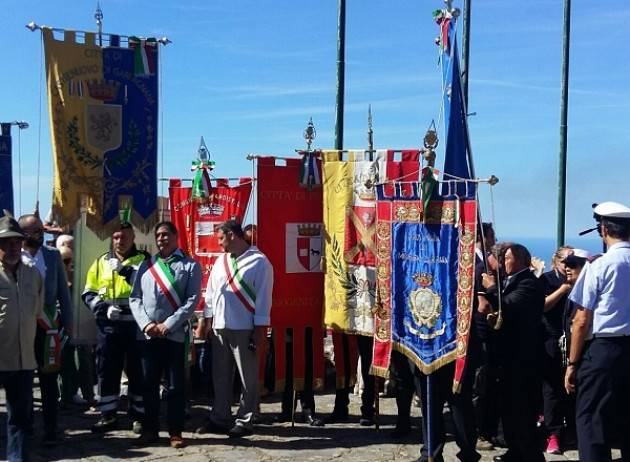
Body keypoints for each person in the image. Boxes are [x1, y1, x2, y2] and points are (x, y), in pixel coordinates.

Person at [565, 202, 630, 462]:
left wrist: (572, 363)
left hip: (604, 349)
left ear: (603, 229)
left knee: (592, 420)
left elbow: (581, 319)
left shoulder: (599, 266)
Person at [197, 220, 273, 438]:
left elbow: (264, 299)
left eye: (220, 238)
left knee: (247, 377)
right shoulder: (221, 261)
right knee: (220, 376)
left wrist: (259, 329)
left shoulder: (260, 262)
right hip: (221, 326)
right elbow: (210, 293)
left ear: (232, 235)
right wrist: (206, 320)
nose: (219, 243)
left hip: (245, 327)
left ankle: (245, 419)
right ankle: (219, 416)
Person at [130, 221, 201, 448]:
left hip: (174, 336)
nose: (161, 239)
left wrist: (168, 324)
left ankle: (175, 431)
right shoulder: (146, 265)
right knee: (148, 384)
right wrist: (146, 324)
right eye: (158, 235)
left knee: (175, 387)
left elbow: (192, 301)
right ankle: (151, 430)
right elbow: (135, 298)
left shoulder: (191, 266)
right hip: (149, 335)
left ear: (176, 236)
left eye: (166, 234)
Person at [480, 243, 545, 462]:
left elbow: (509, 304)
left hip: (523, 359)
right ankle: (515, 450)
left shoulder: (528, 283)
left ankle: (529, 455)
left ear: (518, 259)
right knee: (507, 409)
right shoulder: (510, 281)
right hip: (505, 358)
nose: (503, 262)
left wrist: (490, 288)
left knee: (522, 411)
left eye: (506, 258)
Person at [82, 222, 149, 433]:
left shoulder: (145, 260)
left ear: (133, 238)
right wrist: (102, 309)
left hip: (136, 327)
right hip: (108, 327)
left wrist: (124, 271)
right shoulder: (102, 261)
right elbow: (88, 293)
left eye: (125, 237)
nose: (120, 241)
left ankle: (139, 416)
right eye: (116, 237)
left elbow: (150, 289)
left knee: (138, 372)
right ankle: (108, 415)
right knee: (106, 370)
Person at [18, 213, 73, 445]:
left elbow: (63, 291)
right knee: (23, 380)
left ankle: (51, 428)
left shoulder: (52, 255)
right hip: (21, 327)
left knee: (49, 380)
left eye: (41, 230)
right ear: (23, 234)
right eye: (34, 231)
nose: (40, 235)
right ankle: (26, 426)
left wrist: (69, 323)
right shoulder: (11, 256)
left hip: (48, 326)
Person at [0, 215, 44, 462]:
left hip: (23, 361)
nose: (12, 247)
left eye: (16, 242)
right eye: (5, 243)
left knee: (20, 419)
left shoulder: (33, 275)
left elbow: (36, 313)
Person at [540, 245, 574, 454]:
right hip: (551, 338)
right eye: (565, 262)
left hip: (572, 339)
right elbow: (543, 305)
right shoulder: (547, 280)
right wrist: (563, 290)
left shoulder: (580, 280)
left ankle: (571, 430)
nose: (568, 267)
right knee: (551, 388)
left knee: (570, 386)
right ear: (556, 261)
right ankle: (553, 433)